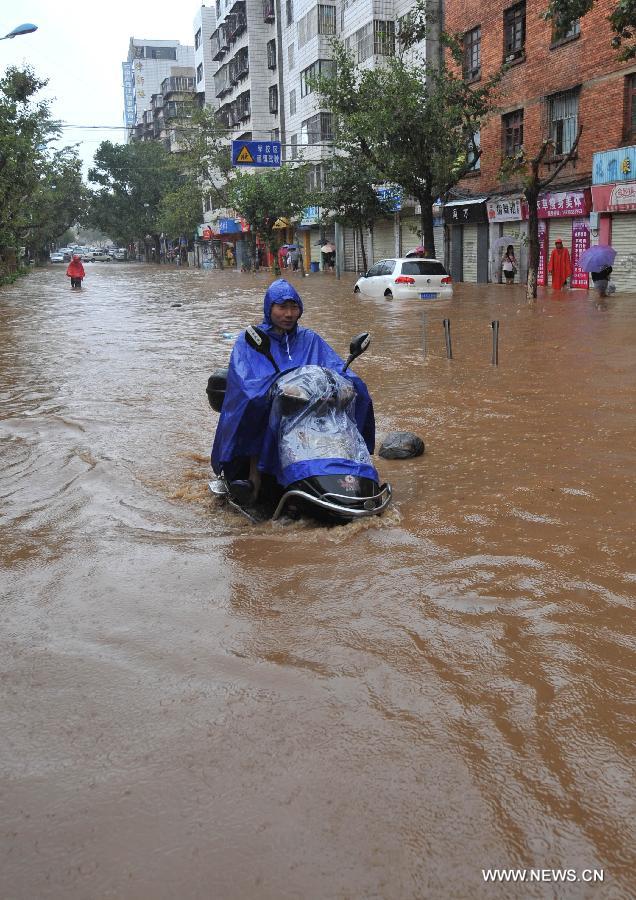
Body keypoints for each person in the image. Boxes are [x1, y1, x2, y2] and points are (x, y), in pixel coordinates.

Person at [211, 278, 374, 502]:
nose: (289, 314)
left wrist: (349, 384)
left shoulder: (309, 339)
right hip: (273, 408)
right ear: (269, 308)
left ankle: (352, 468)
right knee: (256, 409)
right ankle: (253, 481)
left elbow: (335, 367)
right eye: (282, 307)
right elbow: (245, 381)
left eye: (293, 307)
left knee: (354, 398)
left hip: (309, 410)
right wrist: (273, 390)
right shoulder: (250, 340)